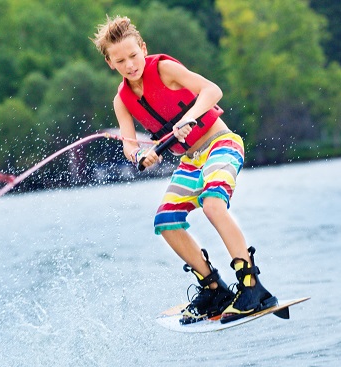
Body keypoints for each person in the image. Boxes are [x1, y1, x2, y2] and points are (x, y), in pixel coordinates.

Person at [91, 16, 277, 324]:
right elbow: (128, 143)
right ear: (111, 63)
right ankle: (214, 288)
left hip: (221, 144)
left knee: (212, 204)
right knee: (165, 221)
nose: (130, 65)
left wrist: (188, 117)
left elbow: (212, 91)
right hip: (191, 161)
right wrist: (141, 157)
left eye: (134, 56)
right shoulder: (121, 101)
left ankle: (250, 286)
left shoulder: (164, 69)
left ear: (143, 48)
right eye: (120, 60)